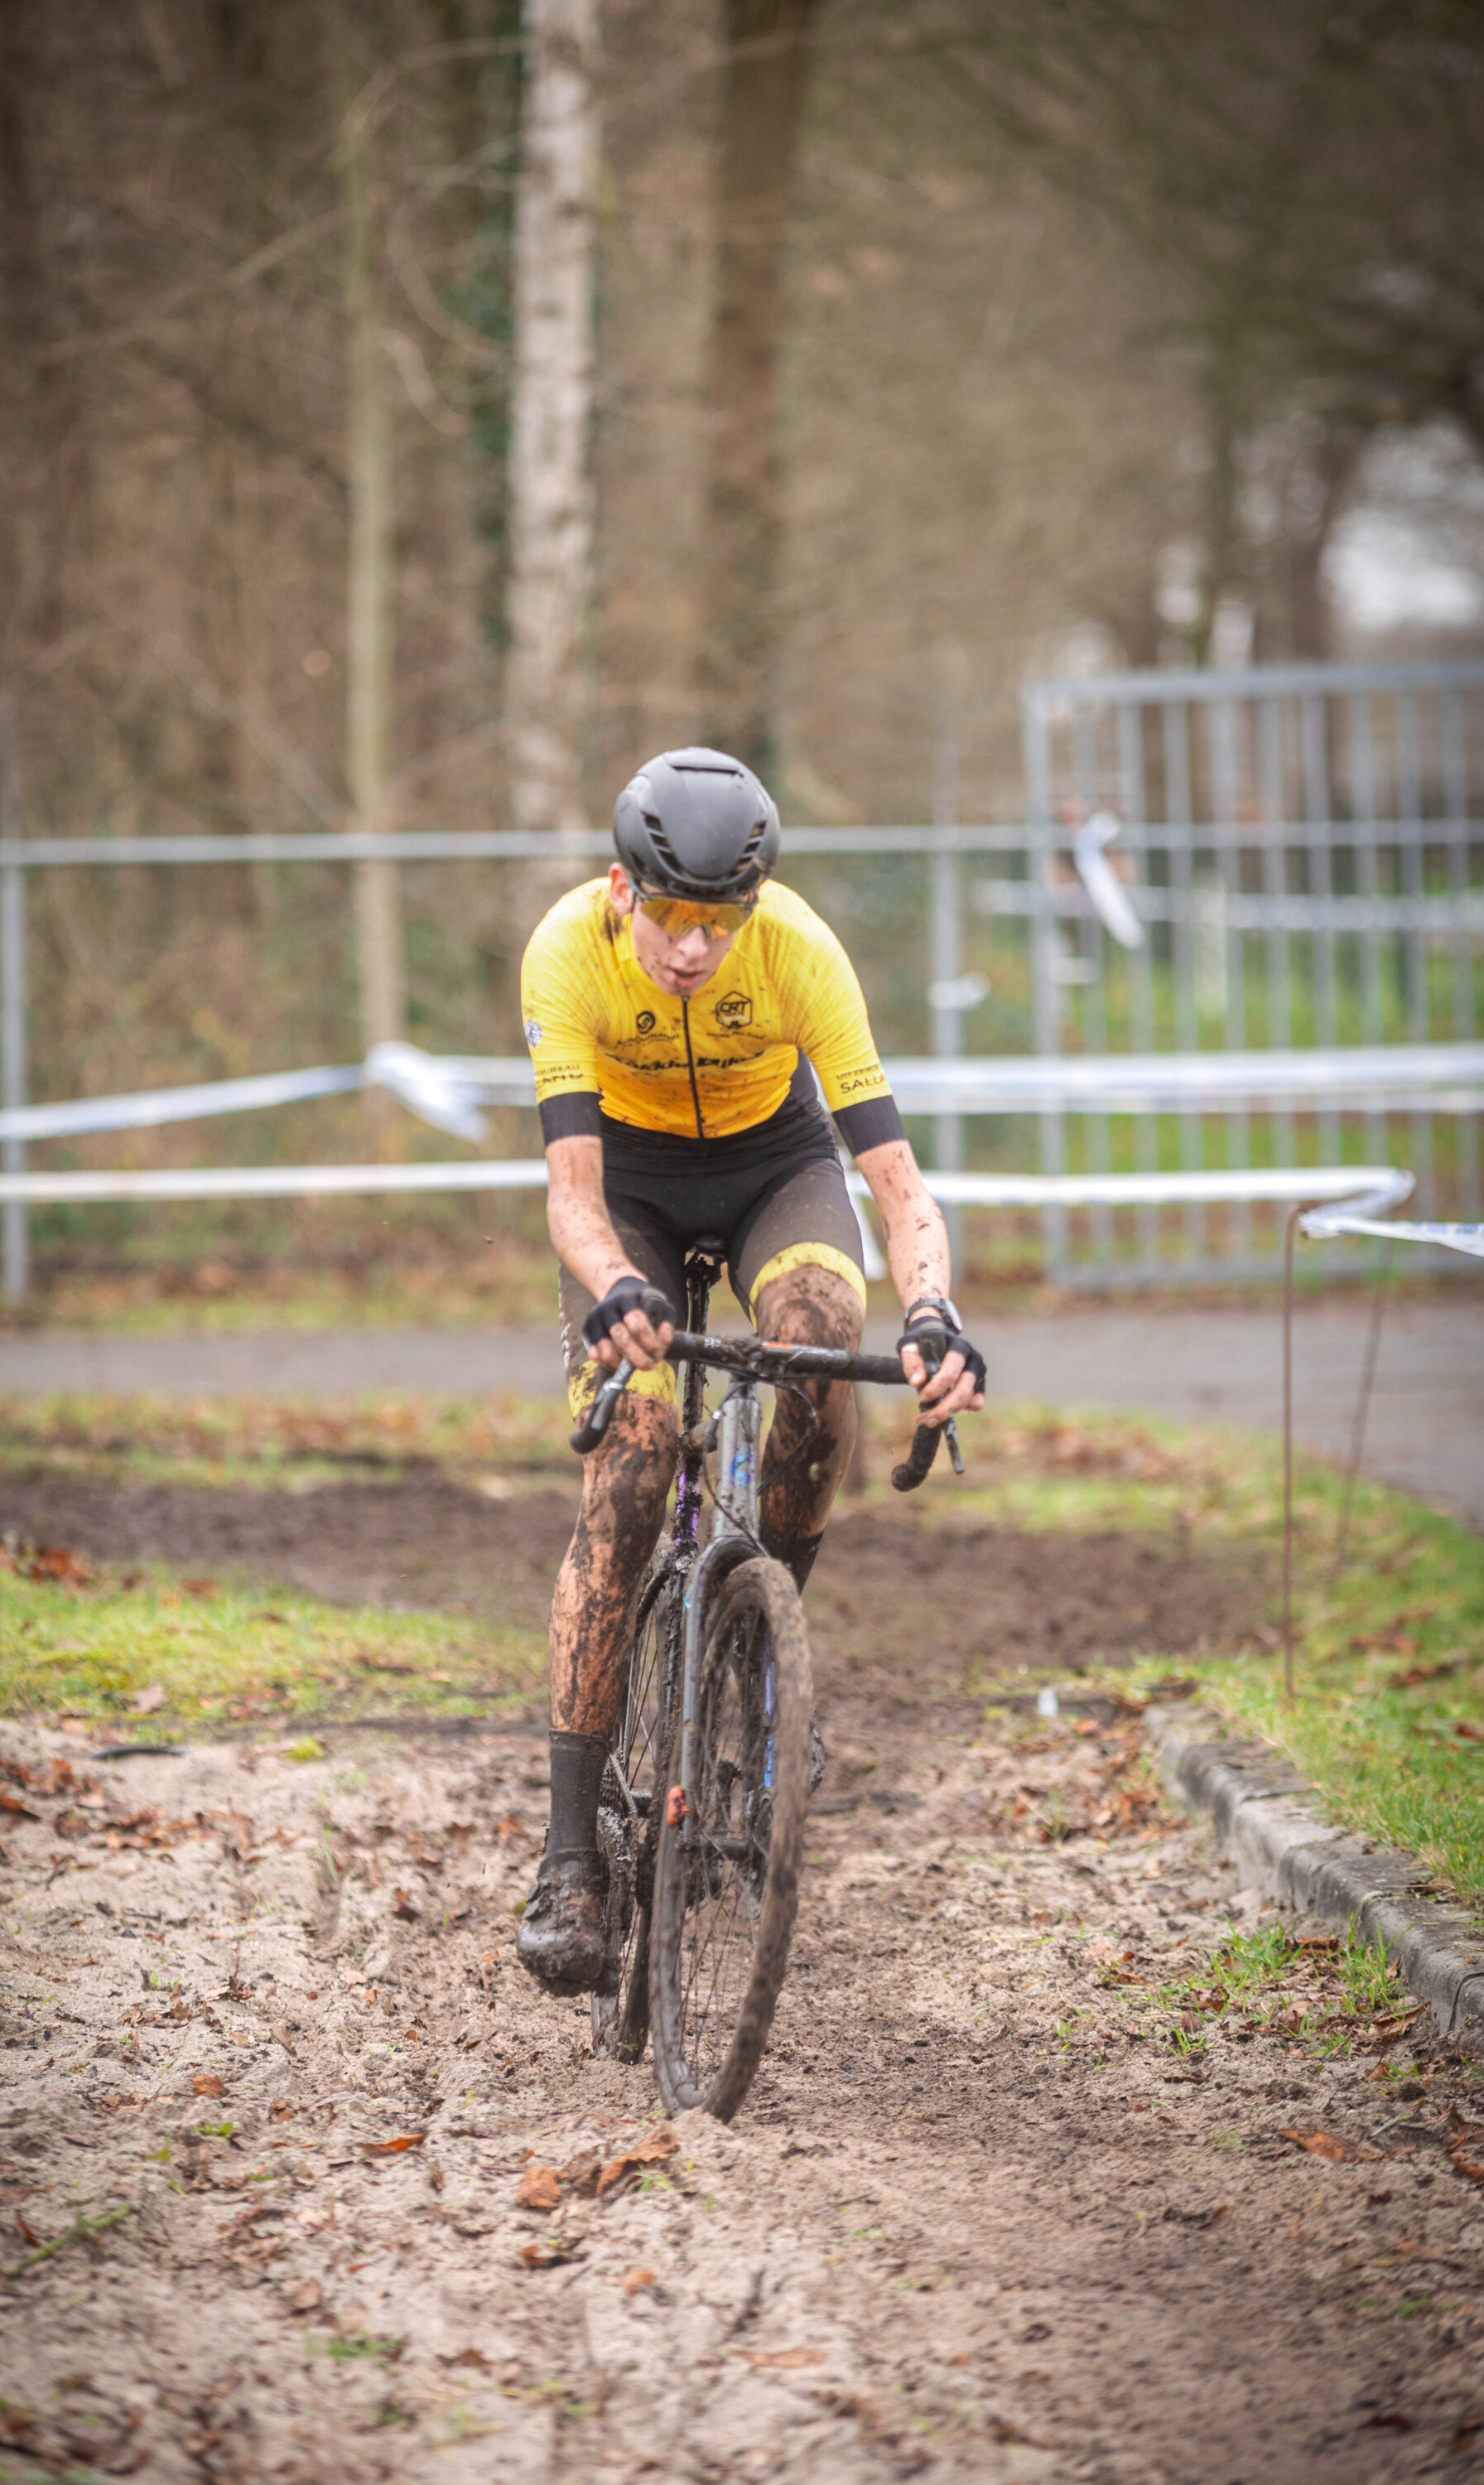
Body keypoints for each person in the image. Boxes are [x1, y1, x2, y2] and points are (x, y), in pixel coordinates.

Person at [516, 746, 985, 1989]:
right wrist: (619, 1283)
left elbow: (897, 1183)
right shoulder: (566, 949)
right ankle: (569, 1854)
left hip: (776, 1165)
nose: (691, 949)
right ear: (625, 891)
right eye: (670, 917)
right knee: (631, 1467)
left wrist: (932, 1311)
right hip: (630, 1189)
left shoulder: (801, 951)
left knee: (826, 1333)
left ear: (753, 905)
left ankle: (772, 1648)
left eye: (717, 922)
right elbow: (571, 1196)